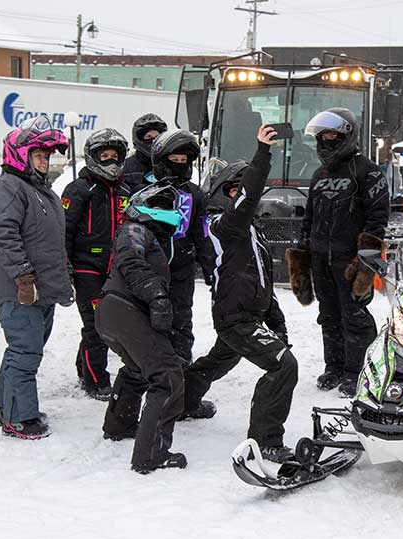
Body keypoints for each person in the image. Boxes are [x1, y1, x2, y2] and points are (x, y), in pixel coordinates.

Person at [182, 125, 298, 462]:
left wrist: (276, 320)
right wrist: (262, 153)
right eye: (233, 190)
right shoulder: (220, 225)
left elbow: (262, 280)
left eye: (241, 190)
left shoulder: (249, 231)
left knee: (220, 360)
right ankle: (265, 441)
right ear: (223, 193)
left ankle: (181, 401)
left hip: (248, 314)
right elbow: (246, 200)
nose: (241, 196)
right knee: (282, 366)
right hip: (235, 316)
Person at [285, 108, 389, 398]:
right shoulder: (319, 174)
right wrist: (302, 256)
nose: (327, 141)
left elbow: (378, 219)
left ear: (346, 136)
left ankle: (358, 371)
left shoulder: (367, 172)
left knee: (354, 315)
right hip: (320, 257)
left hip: (349, 259)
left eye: (333, 136)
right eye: (323, 136)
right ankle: (334, 367)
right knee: (328, 315)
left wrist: (366, 261)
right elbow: (310, 217)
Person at [0, 116, 72, 439]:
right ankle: (19, 417)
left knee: (22, 349)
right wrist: (23, 277)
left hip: (41, 291)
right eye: (38, 156)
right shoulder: (9, 188)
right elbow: (3, 235)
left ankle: (7, 407)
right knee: (26, 351)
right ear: (19, 155)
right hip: (21, 291)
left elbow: (48, 240)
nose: (44, 161)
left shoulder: (39, 191)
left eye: (46, 156)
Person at [97, 183, 187, 474]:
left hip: (116, 311)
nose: (167, 213)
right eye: (160, 206)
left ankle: (119, 424)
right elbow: (131, 262)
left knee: (137, 368)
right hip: (125, 309)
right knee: (168, 376)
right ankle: (151, 455)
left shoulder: (149, 236)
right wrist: (157, 296)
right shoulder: (135, 230)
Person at [61, 128, 132, 401]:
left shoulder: (126, 189)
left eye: (116, 156)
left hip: (116, 267)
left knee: (107, 324)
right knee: (96, 326)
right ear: (93, 157)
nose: (111, 161)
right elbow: (64, 230)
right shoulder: (80, 189)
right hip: (86, 266)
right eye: (105, 156)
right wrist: (65, 266)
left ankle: (84, 367)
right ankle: (96, 380)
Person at [148, 129, 216, 365]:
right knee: (152, 318)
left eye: (182, 161)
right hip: (151, 268)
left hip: (182, 267)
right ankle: (153, 366)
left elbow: (202, 233)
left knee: (182, 319)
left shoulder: (194, 194)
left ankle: (180, 368)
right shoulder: (146, 191)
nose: (178, 165)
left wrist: (210, 267)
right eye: (173, 160)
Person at [122, 113, 167, 189]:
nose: (153, 141)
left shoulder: (168, 164)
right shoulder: (125, 166)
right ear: (139, 139)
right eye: (149, 136)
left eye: (157, 137)